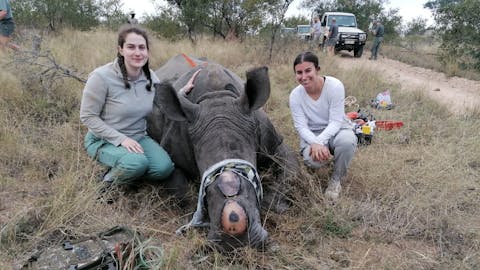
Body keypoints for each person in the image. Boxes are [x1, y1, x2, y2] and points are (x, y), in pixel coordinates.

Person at [80, 25, 198, 200]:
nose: (137, 53)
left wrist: (182, 92)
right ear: (120, 49)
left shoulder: (149, 76)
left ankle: (129, 173)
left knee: (164, 168)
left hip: (138, 137)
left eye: (142, 47)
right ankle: (107, 183)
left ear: (147, 51)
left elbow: (161, 103)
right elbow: (88, 117)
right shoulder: (101, 77)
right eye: (131, 47)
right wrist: (121, 139)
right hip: (103, 140)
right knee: (137, 163)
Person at [289, 51, 357, 202]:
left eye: (308, 70)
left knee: (347, 142)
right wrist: (315, 143)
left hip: (337, 129)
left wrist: (318, 143)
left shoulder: (335, 86)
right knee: (313, 160)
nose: (304, 76)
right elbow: (301, 127)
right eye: (299, 72)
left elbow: (335, 121)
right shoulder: (295, 96)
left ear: (317, 70)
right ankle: (329, 158)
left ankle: (335, 181)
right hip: (312, 134)